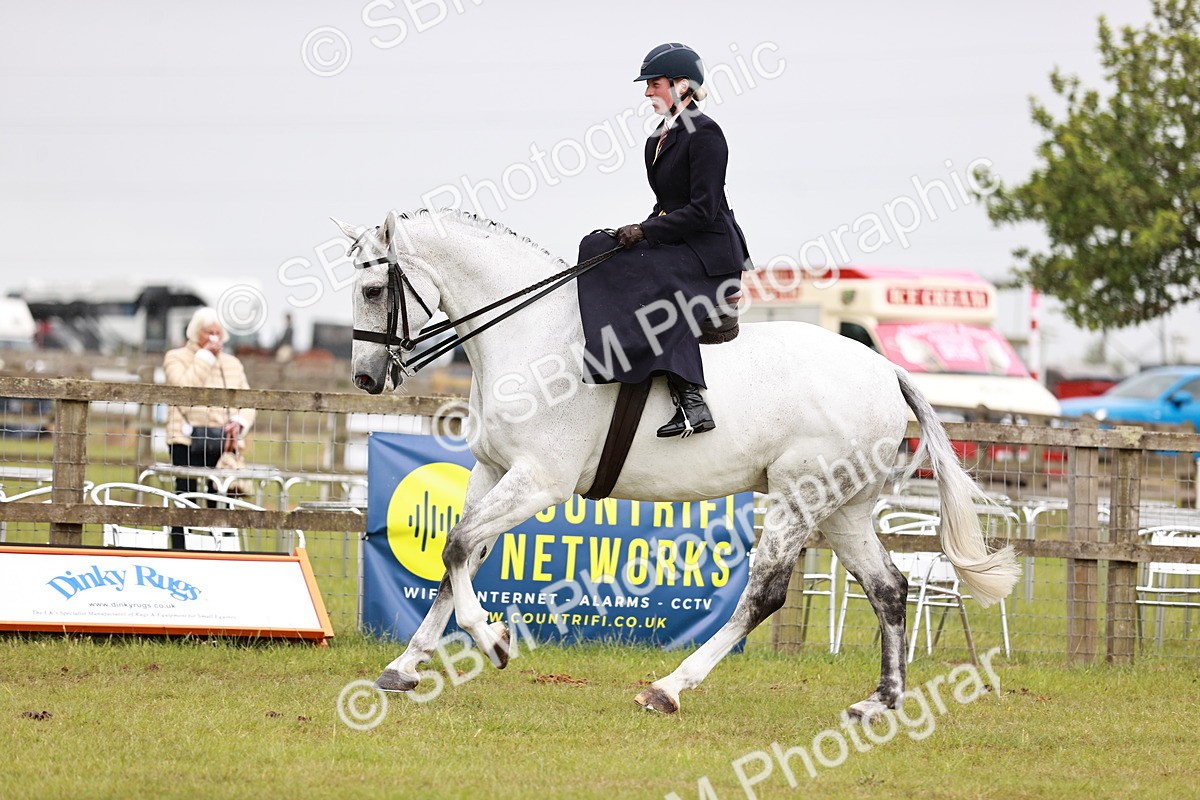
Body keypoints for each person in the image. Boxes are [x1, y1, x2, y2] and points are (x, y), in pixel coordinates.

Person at [576, 42, 751, 438]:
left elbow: (702, 210)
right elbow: (666, 206)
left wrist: (646, 232)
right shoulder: (657, 137)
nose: (646, 92)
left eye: (654, 84)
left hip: (710, 254)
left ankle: (691, 400)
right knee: (596, 246)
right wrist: (638, 230)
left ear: (682, 85)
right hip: (678, 242)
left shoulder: (706, 134)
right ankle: (613, 357)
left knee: (659, 281)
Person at [163, 307, 256, 549]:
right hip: (185, 440)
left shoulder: (233, 363)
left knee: (221, 499)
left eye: (218, 333)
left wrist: (240, 422)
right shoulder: (175, 358)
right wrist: (204, 358)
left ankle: (220, 550)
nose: (214, 338)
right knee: (186, 496)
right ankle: (181, 550)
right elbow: (184, 389)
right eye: (208, 332)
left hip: (223, 442)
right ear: (196, 333)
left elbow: (248, 400)